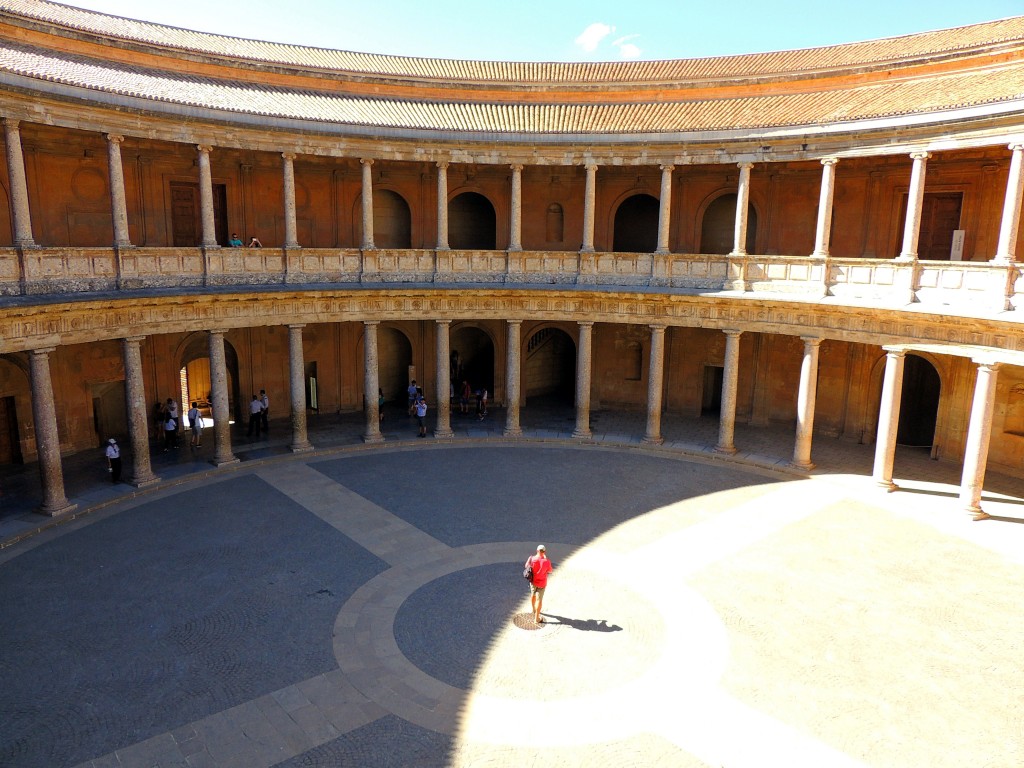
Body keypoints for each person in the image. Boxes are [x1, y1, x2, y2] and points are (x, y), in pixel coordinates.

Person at [525, 545, 553, 624]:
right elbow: (550, 571)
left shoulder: (531, 558)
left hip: (533, 581)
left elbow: (526, 566)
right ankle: (536, 618)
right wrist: (545, 560)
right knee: (539, 600)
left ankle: (533, 609)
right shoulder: (546, 561)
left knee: (533, 595)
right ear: (544, 552)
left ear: (537, 550)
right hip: (542, 583)